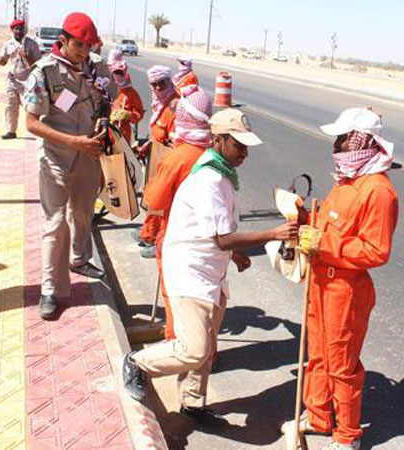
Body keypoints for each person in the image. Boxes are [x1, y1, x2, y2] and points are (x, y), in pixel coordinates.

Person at [120, 108, 299, 425]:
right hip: (191, 271)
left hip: (208, 269)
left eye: (246, 147)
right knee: (194, 349)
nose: (244, 153)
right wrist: (273, 233)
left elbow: (217, 232)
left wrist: (236, 255)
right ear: (217, 140)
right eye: (238, 145)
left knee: (207, 344)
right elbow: (222, 238)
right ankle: (136, 363)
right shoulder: (209, 179)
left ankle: (192, 403)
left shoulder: (223, 174)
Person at [286, 107, 399, 450]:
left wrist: (325, 243)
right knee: (318, 355)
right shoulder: (348, 182)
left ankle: (347, 436)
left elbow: (376, 251)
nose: (337, 146)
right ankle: (318, 416)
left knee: (342, 365)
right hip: (321, 283)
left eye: (343, 139)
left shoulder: (378, 191)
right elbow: (328, 225)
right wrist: (304, 216)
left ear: (361, 142)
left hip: (345, 290)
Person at [24, 12, 117, 320]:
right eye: (79, 45)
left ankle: (79, 259)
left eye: (89, 45)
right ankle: (50, 289)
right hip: (56, 155)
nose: (84, 51)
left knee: (82, 212)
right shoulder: (46, 72)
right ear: (63, 40)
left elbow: (108, 101)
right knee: (54, 224)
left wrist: (103, 122)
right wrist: (73, 141)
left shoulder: (96, 67)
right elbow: (32, 123)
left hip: (88, 154)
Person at [144, 84, 213, 340]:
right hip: (209, 241)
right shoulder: (214, 154)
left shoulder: (177, 158)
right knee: (205, 300)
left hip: (176, 239)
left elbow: (154, 200)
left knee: (175, 298)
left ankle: (179, 349)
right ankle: (206, 353)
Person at [130, 65, 179, 257]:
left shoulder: (175, 106)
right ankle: (149, 233)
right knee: (152, 197)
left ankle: (160, 245)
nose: (158, 88)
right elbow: (158, 132)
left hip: (168, 160)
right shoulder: (160, 103)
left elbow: (176, 139)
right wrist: (149, 144)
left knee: (163, 202)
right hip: (157, 156)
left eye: (162, 83)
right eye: (154, 85)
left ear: (170, 81)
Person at [0, 19, 41, 140]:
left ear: (24, 30)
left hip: (28, 81)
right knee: (11, 105)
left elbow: (38, 64)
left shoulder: (32, 44)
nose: (18, 31)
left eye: (21, 29)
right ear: (12, 30)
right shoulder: (8, 44)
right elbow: (3, 62)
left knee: (31, 106)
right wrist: (0, 60)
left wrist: (26, 56)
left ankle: (38, 130)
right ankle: (11, 131)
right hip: (13, 80)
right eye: (16, 29)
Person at [108, 48, 144, 144]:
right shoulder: (102, 87)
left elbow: (139, 114)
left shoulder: (130, 93)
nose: (117, 75)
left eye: (119, 72)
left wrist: (128, 115)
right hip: (102, 134)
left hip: (121, 136)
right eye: (114, 73)